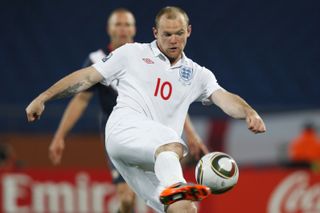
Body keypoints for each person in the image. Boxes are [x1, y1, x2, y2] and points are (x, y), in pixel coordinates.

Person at [26, 6, 266, 213]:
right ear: (155, 33)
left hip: (151, 160)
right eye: (167, 34)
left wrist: (248, 112)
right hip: (123, 132)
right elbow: (87, 77)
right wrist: (44, 97)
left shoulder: (198, 75)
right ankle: (178, 185)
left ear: (189, 31)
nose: (174, 40)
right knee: (173, 144)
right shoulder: (132, 54)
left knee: (184, 208)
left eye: (179, 34)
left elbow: (224, 98)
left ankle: (178, 193)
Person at [46, 7, 207, 213]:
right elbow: (80, 101)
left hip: (152, 132)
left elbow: (173, 102)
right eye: (118, 24)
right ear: (109, 28)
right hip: (120, 134)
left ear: (134, 29)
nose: (123, 29)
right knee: (127, 198)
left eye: (128, 25)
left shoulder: (149, 58)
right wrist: (60, 135)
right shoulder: (97, 60)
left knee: (167, 196)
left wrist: (192, 135)